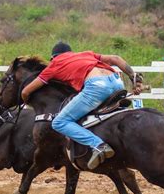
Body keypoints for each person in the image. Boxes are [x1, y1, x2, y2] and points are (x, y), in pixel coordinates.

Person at [21, 42, 143, 170]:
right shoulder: (86, 54)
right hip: (117, 83)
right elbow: (116, 59)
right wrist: (136, 80)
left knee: (59, 122)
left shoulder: (54, 65)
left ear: (53, 58)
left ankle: (99, 145)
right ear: (71, 53)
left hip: (97, 86)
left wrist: (26, 101)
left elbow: (25, 91)